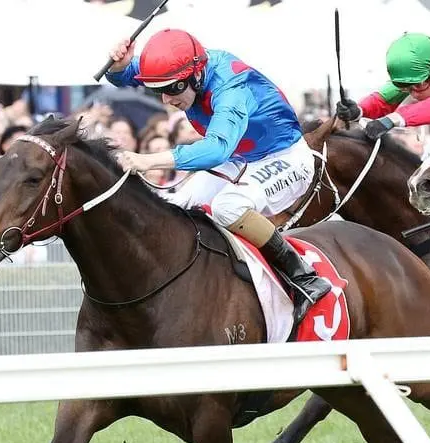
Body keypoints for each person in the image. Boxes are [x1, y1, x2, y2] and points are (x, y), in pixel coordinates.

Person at [105, 28, 330, 324]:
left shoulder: (230, 87)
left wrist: (147, 161)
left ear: (196, 76)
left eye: (173, 89)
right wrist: (119, 66)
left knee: (228, 207)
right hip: (241, 158)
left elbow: (216, 150)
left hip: (285, 157)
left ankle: (305, 278)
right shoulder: (180, 68)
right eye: (158, 90)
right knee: (175, 205)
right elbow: (126, 77)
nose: (166, 100)